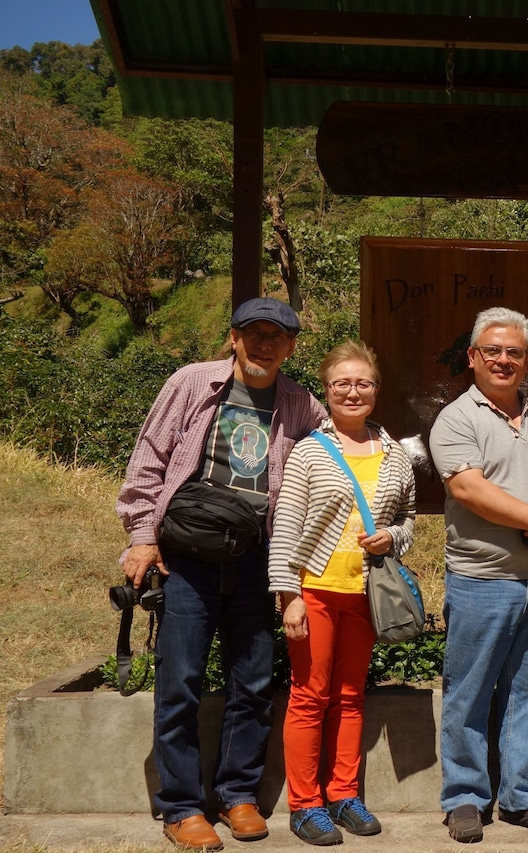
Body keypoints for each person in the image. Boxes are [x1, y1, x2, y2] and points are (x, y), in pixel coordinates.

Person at [116, 297, 325, 850]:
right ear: (233, 338)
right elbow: (150, 458)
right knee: (179, 680)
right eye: (253, 334)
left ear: (291, 347)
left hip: (257, 557)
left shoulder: (300, 403)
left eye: (276, 337)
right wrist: (141, 536)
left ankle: (237, 795)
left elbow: (336, 448)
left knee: (253, 680)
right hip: (186, 557)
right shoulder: (192, 383)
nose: (264, 344)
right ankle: (181, 807)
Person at [427, 307, 528, 844]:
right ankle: (464, 798)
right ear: (472, 357)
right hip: (479, 580)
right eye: (493, 350)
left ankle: (521, 795)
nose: (503, 360)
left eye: (514, 352)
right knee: (469, 692)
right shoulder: (456, 419)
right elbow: (468, 489)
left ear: (527, 360)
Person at [268, 341, 416, 845]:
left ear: (376, 389)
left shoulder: (394, 452)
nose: (353, 392)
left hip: (365, 593)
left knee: (351, 697)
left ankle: (344, 794)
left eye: (363, 383)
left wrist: (392, 537)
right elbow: (286, 525)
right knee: (310, 696)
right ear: (327, 390)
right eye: (342, 384)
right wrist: (287, 595)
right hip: (316, 590)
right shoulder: (310, 450)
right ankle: (305, 804)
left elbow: (408, 520)